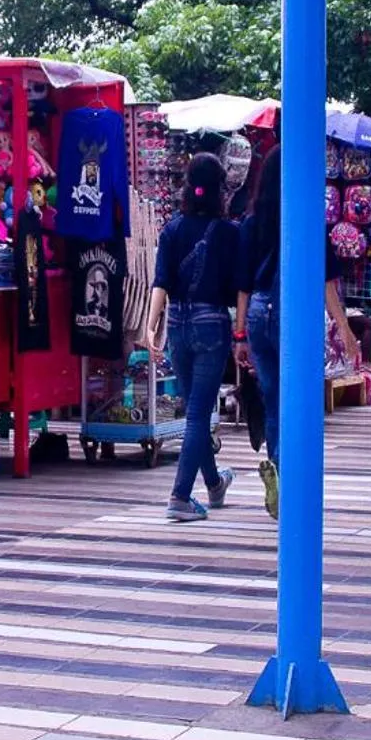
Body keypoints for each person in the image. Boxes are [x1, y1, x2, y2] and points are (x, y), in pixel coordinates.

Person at [233, 148, 359, 520]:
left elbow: (242, 284)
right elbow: (325, 283)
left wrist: (240, 335)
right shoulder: (306, 220)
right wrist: (345, 328)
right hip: (292, 312)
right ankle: (297, 482)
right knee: (300, 400)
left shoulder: (250, 223)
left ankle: (279, 473)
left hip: (257, 312)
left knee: (273, 400)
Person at [146, 153, 243, 522]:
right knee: (199, 415)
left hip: (176, 323)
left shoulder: (172, 229)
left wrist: (149, 326)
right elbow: (238, 288)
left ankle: (215, 485)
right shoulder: (230, 233)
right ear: (221, 190)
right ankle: (180, 497)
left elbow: (162, 282)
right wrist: (240, 333)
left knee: (195, 412)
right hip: (210, 325)